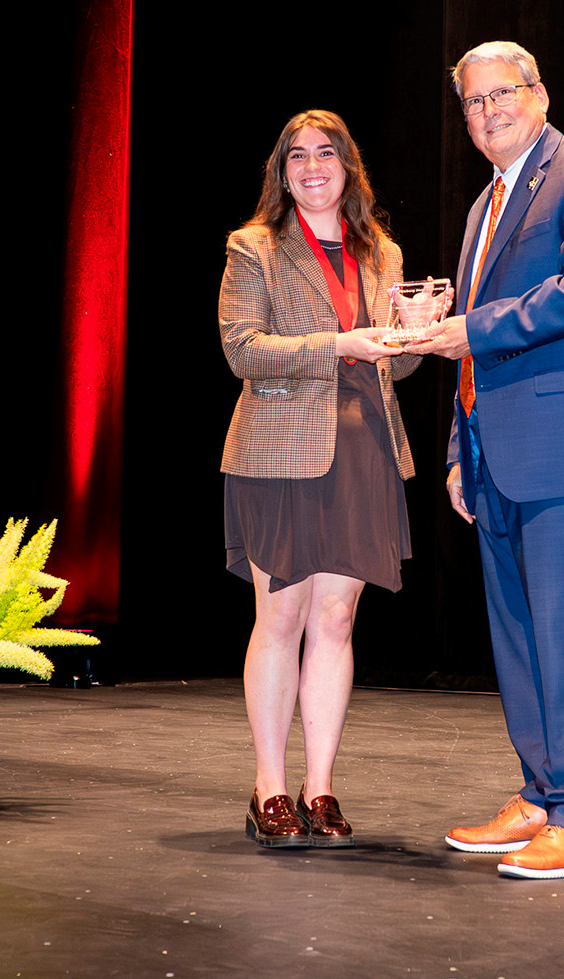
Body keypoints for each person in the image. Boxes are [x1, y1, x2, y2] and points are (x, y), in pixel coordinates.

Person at [410, 42, 564, 879]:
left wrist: (473, 327)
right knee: (518, 639)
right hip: (492, 453)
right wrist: (455, 450)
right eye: (473, 103)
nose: (488, 112)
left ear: (539, 94)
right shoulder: (484, 207)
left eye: (502, 94)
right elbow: (464, 341)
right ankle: (544, 794)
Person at [219, 110, 420, 849]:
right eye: (296, 155)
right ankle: (269, 788)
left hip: (364, 447)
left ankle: (320, 788)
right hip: (278, 451)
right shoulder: (255, 247)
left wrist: (416, 332)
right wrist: (339, 342)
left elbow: (392, 363)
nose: (311, 166)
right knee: (280, 618)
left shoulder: (383, 252)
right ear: (282, 172)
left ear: (347, 167)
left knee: (336, 621)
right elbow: (242, 350)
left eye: (325, 154)